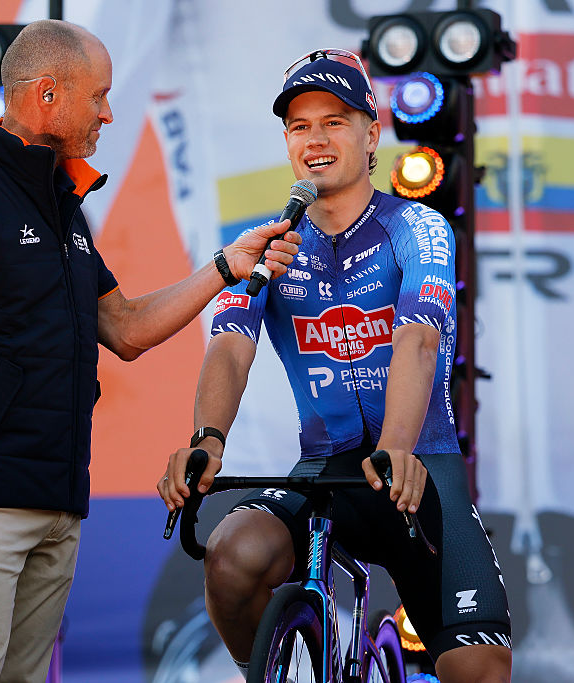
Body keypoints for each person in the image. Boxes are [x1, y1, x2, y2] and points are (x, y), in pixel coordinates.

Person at [0, 19, 300, 682]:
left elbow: (126, 327)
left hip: (58, 507)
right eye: (98, 97)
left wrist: (225, 265)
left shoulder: (60, 205)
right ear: (46, 95)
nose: (109, 113)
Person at [158, 50, 511, 682]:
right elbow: (230, 346)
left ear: (371, 135)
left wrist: (397, 445)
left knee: (481, 669)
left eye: (334, 122)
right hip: (326, 470)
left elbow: (418, 340)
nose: (315, 139)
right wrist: (207, 440)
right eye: (299, 126)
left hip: (418, 465)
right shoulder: (268, 244)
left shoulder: (418, 226)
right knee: (232, 558)